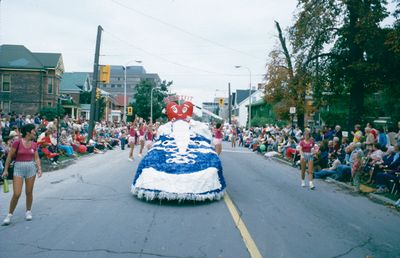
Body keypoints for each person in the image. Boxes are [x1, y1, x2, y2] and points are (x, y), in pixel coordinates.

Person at [2, 124, 42, 225]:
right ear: (28, 132)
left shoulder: (34, 144)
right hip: (18, 168)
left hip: (30, 169)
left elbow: (36, 158)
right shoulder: (17, 143)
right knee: (17, 193)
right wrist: (5, 170)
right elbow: (10, 156)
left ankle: (28, 211)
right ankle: (9, 215)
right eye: (33, 130)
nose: (35, 132)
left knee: (29, 192)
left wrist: (39, 169)